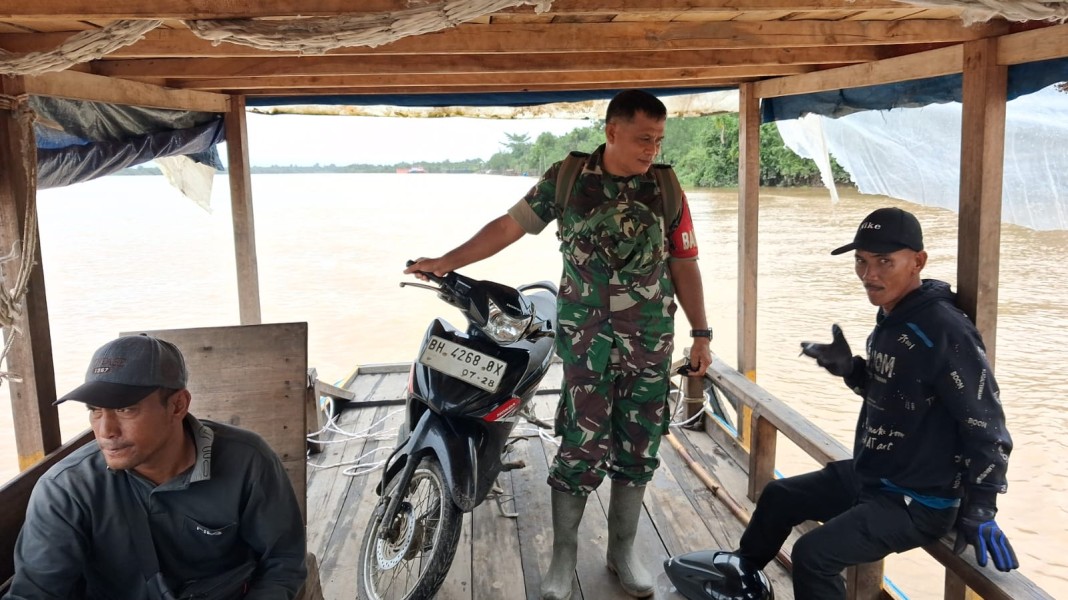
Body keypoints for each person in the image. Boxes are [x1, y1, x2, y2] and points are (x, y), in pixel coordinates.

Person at [405, 89, 712, 599]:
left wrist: (702, 333)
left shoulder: (667, 188)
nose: (650, 150)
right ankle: (563, 557)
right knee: (579, 445)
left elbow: (684, 263)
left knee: (640, 445)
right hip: (587, 341)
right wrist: (447, 260)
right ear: (612, 131)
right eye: (642, 139)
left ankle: (622, 551)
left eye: (658, 140)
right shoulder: (566, 180)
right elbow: (509, 226)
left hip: (650, 343)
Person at [669, 207, 1017, 600]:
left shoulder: (944, 329)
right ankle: (742, 574)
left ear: (918, 261)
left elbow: (987, 427)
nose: (870, 275)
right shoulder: (894, 316)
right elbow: (897, 395)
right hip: (877, 474)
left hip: (918, 498)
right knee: (780, 497)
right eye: (862, 262)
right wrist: (851, 369)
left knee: (814, 554)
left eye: (885, 261)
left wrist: (983, 506)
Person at [4, 334, 308, 600]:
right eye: (95, 411)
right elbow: (37, 593)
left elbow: (283, 561)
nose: (106, 430)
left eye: (125, 409)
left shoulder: (247, 461)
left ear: (177, 405)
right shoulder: (65, 490)